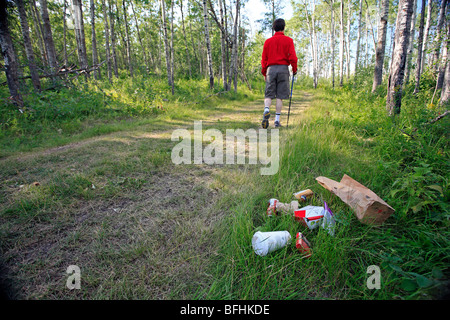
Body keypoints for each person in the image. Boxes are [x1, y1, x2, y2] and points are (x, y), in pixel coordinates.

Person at [261, 18, 298, 128]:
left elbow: (264, 59)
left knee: (268, 94)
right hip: (283, 69)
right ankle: (276, 121)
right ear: (284, 27)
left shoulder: (268, 41)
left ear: (274, 28)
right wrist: (294, 69)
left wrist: (264, 73)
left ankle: (266, 109)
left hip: (270, 69)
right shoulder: (289, 40)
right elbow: (293, 58)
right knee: (279, 96)